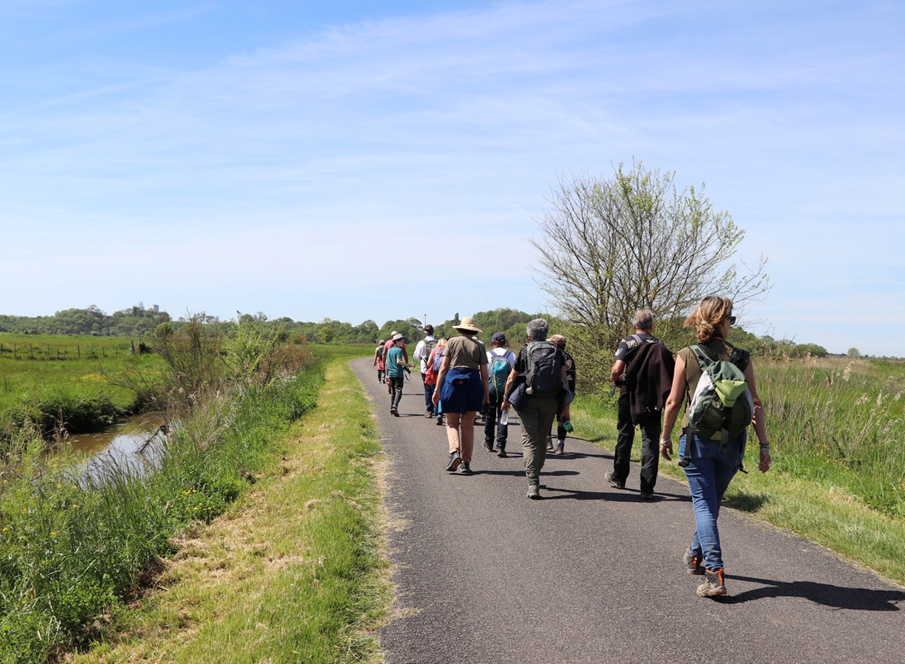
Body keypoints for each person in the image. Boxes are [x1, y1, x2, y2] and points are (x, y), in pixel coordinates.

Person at [660, 295, 772, 597]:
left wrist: (665, 437)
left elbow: (672, 401)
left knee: (705, 505)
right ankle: (693, 554)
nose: (731, 325)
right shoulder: (742, 356)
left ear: (700, 319)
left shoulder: (687, 354)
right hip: (733, 443)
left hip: (696, 441)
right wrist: (764, 445)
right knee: (711, 504)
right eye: (730, 319)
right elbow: (756, 404)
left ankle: (714, 573)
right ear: (723, 321)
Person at [501, 318, 568, 499]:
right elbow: (564, 380)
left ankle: (533, 483)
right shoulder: (557, 351)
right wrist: (565, 407)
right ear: (546, 334)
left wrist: (506, 399)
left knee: (529, 441)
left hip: (528, 400)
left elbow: (511, 378)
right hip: (551, 401)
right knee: (541, 438)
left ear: (529, 336)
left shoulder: (525, 350)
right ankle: (536, 472)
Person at [606, 310, 668, 500]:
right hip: (652, 399)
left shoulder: (628, 342)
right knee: (650, 439)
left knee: (625, 433)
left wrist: (616, 381)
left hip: (630, 395)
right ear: (652, 326)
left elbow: (617, 369)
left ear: (634, 326)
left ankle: (619, 477)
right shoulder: (660, 345)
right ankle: (647, 488)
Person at [432, 317, 489, 475]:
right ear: (473, 331)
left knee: (451, 422)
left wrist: (436, 390)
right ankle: (466, 463)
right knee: (468, 425)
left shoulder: (451, 342)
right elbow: (485, 374)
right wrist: (486, 396)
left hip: (453, 384)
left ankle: (454, 452)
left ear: (459, 329)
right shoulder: (480, 346)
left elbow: (443, 368)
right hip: (473, 384)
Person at [484, 332, 516, 457]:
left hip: (491, 389)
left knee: (489, 416)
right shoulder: (511, 355)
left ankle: (489, 442)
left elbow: (484, 375)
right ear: (504, 343)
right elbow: (513, 376)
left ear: (492, 342)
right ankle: (501, 446)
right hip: (506, 391)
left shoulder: (487, 355)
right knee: (503, 417)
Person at [549, 334, 575, 455]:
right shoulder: (569, 357)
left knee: (548, 413)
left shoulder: (553, 355)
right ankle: (561, 443)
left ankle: (547, 439)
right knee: (564, 414)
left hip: (555, 388)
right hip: (568, 389)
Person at [413, 325, 439, 418]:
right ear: (433, 331)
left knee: (428, 390)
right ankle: (438, 410)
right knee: (437, 389)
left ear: (425, 332)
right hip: (437, 369)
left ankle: (429, 410)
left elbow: (416, 356)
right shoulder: (438, 342)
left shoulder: (421, 343)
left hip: (426, 369)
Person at [385, 334, 413, 417]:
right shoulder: (399, 350)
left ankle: (391, 408)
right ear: (396, 341)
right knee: (399, 390)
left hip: (391, 373)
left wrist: (386, 374)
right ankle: (395, 406)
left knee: (393, 391)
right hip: (398, 373)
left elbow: (386, 363)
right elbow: (398, 361)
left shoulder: (389, 350)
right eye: (401, 340)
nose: (403, 342)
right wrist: (409, 365)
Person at [426, 338, 448, 426]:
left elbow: (428, 363)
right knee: (442, 394)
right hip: (445, 375)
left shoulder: (434, 350)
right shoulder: (447, 350)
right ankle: (440, 412)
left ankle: (436, 413)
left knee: (434, 394)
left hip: (434, 376)